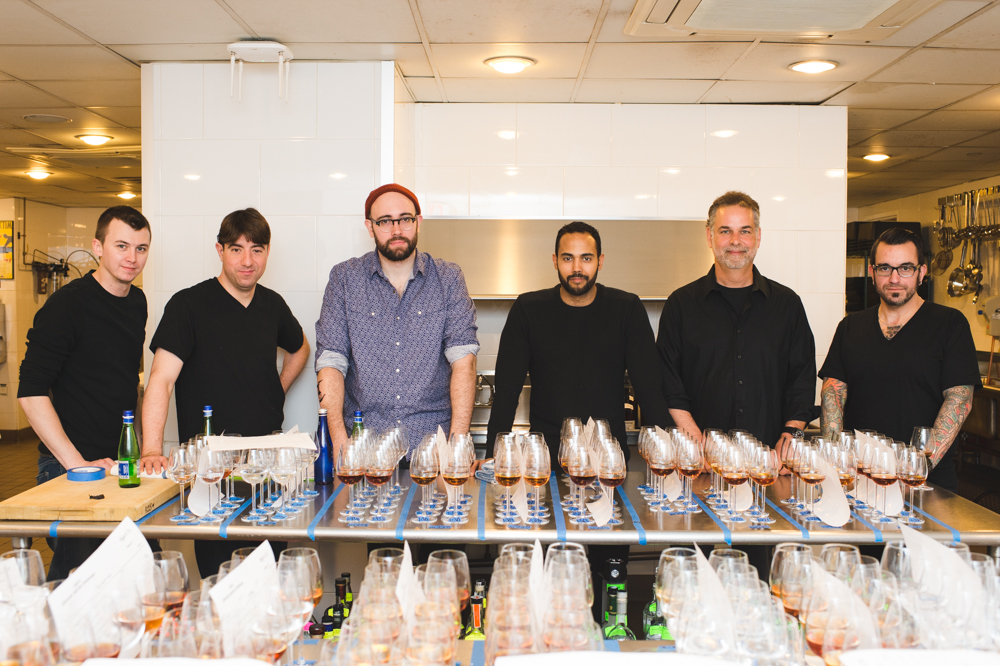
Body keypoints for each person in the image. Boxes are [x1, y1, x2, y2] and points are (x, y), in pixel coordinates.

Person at [486, 221, 672, 623]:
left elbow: (649, 388)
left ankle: (609, 638)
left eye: (586, 258)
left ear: (600, 262)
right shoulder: (529, 309)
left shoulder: (625, 308)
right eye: (568, 258)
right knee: (555, 571)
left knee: (609, 573)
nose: (577, 268)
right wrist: (491, 459)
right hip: (546, 470)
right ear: (554, 261)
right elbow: (506, 390)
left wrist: (667, 460)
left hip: (608, 467)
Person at [141, 208, 310, 576]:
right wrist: (152, 449)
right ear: (220, 251)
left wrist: (275, 390)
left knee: (270, 574)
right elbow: (161, 380)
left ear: (268, 252)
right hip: (211, 470)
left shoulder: (272, 304)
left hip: (267, 467)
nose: (247, 261)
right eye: (236, 249)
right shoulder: (188, 305)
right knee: (221, 578)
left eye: (257, 250)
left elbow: (300, 348)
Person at [18, 205, 152, 580]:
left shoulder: (136, 302)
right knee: (81, 584)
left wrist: (137, 447)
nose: (131, 257)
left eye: (141, 248)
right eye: (121, 245)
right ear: (97, 246)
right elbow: (30, 391)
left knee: (139, 573)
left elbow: (127, 381)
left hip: (118, 466)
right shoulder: (67, 305)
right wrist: (78, 465)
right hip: (69, 468)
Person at [315, 183, 479, 458]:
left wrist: (457, 446)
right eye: (384, 222)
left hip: (432, 450)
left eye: (405, 219)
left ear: (418, 222)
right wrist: (342, 447)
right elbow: (330, 363)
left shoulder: (448, 278)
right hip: (364, 448)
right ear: (370, 227)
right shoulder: (344, 279)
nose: (396, 230)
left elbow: (464, 361)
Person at [819, 227, 979, 492]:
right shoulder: (851, 327)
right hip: (861, 481)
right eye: (885, 268)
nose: (894, 278)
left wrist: (917, 469)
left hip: (926, 484)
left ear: (921, 272)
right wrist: (837, 462)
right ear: (872, 273)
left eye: (905, 268)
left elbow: (959, 399)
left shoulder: (949, 324)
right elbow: (832, 395)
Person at [657, 190, 817, 451]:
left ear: (758, 236)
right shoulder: (681, 305)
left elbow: (802, 381)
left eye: (745, 231)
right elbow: (668, 382)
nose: (735, 241)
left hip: (769, 464)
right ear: (709, 237)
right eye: (724, 231)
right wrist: (698, 446)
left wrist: (791, 442)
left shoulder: (787, 304)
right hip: (701, 462)